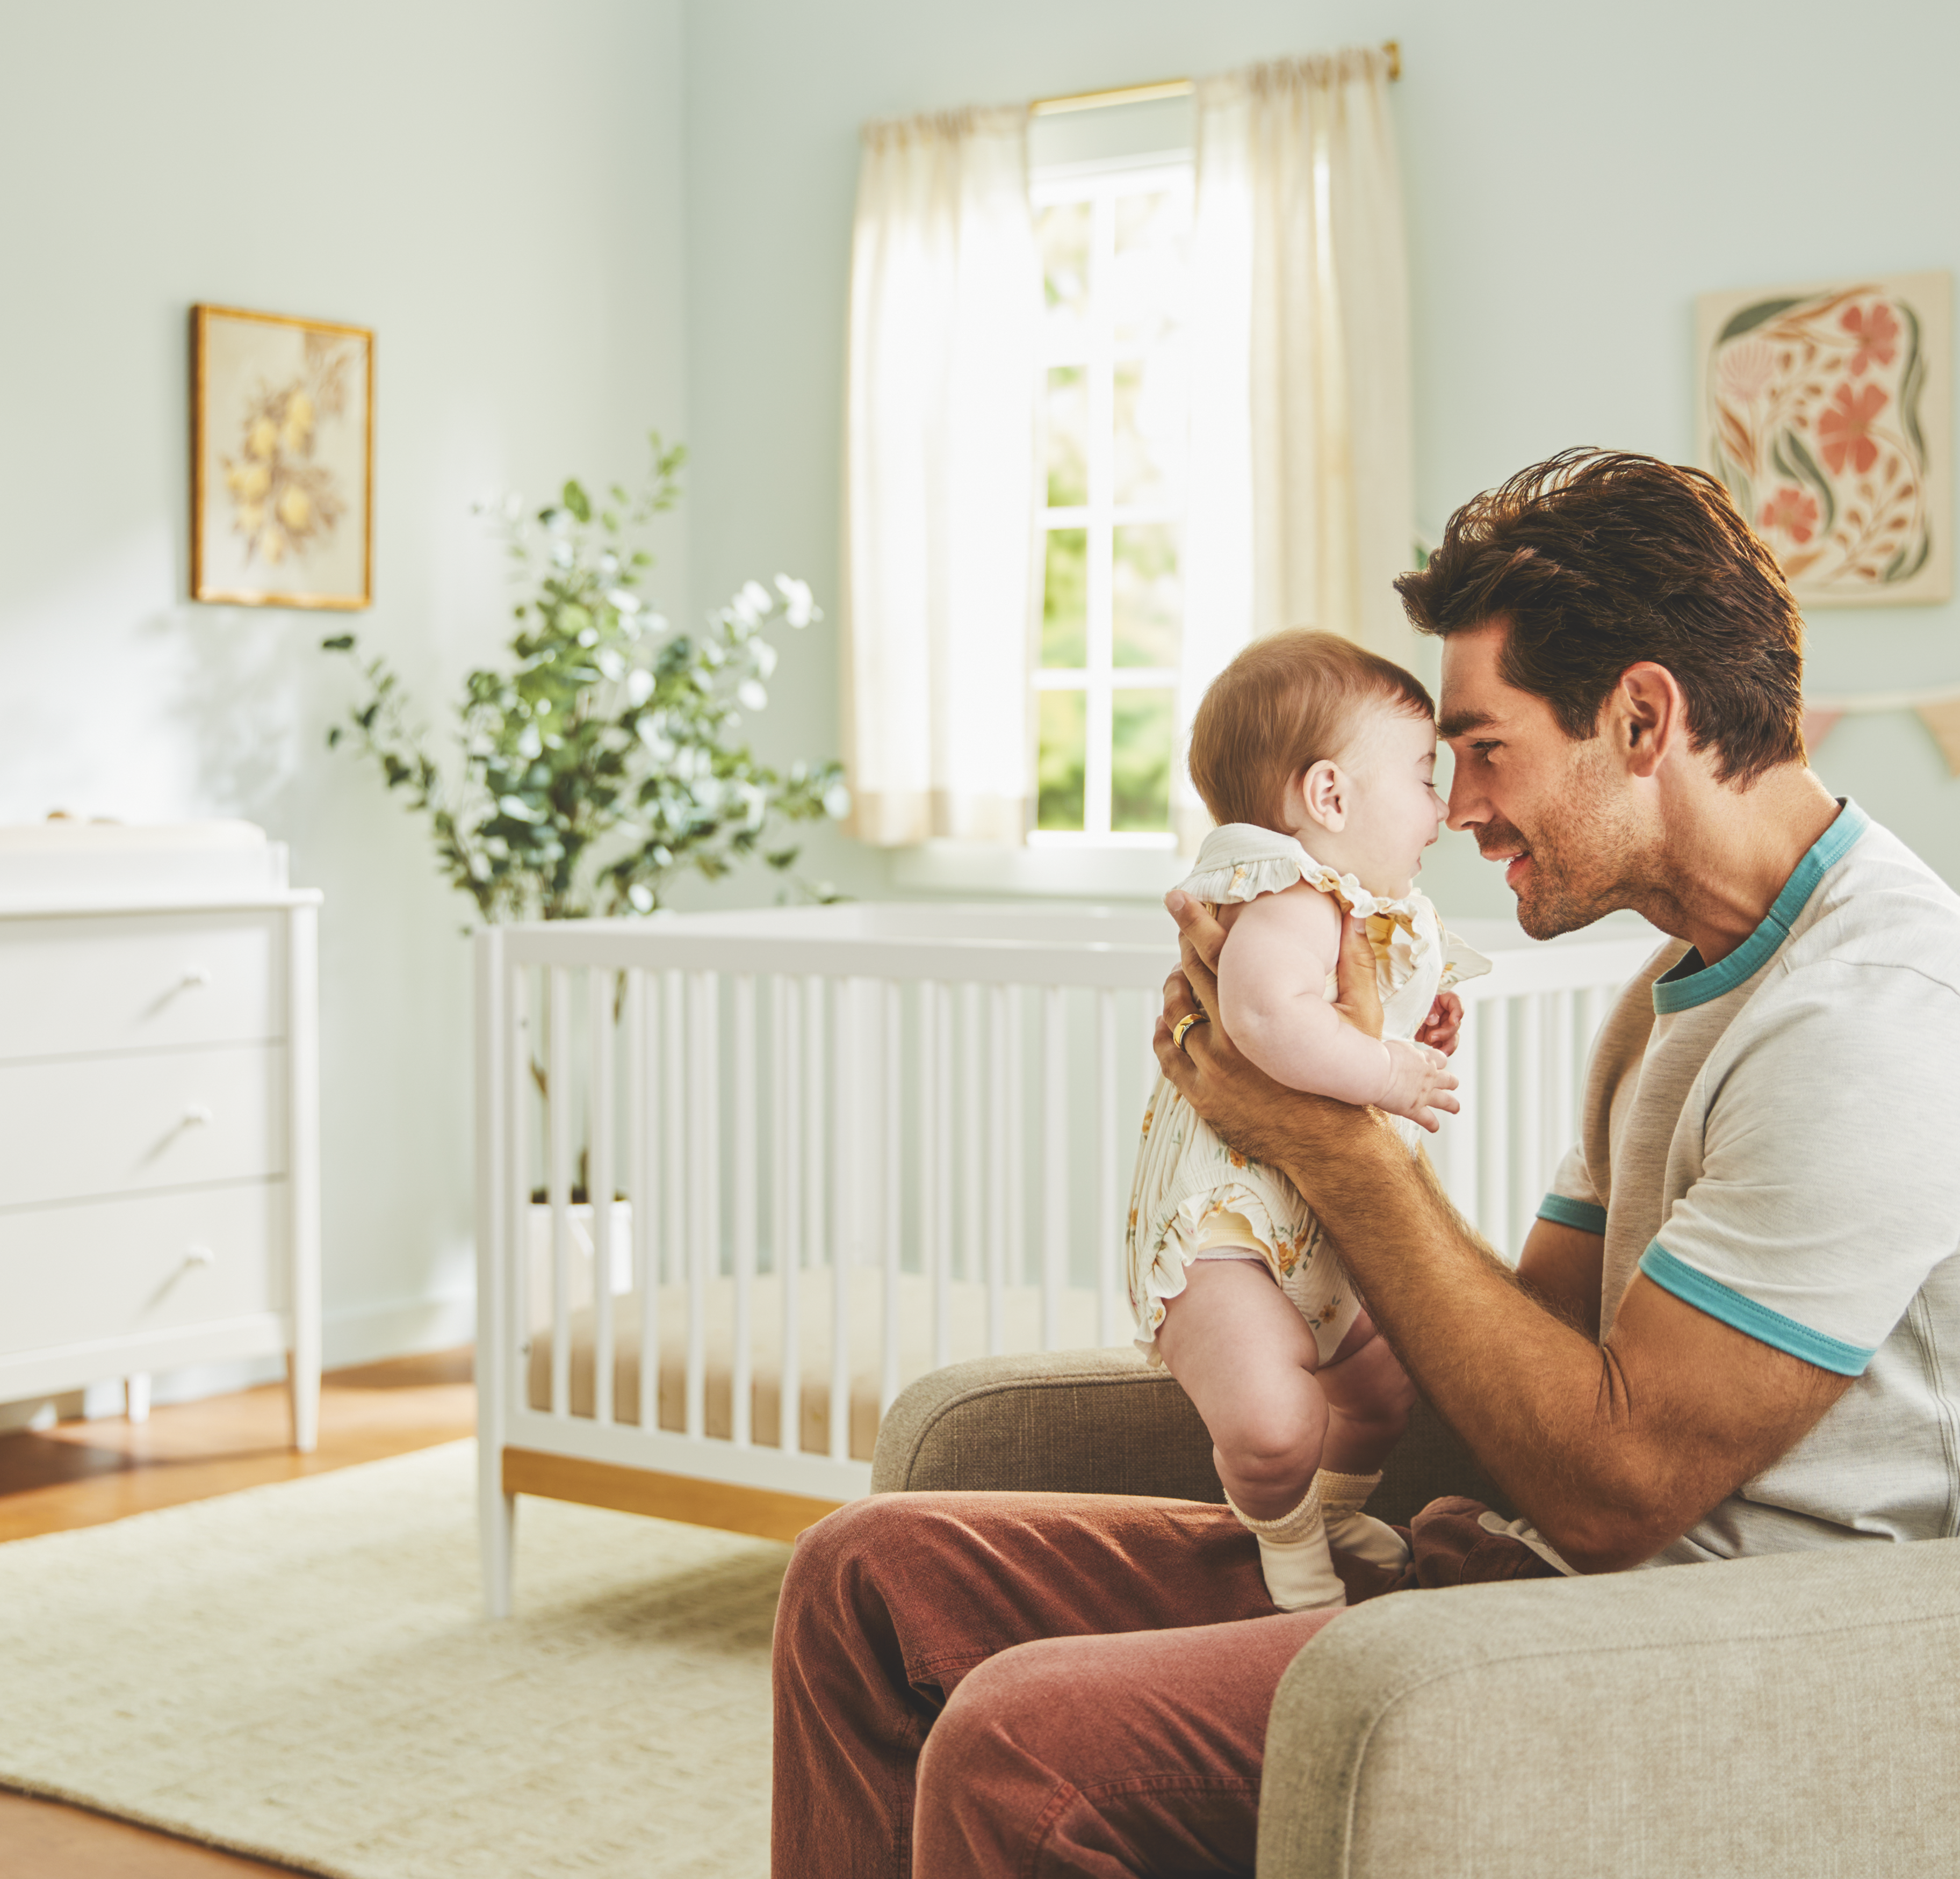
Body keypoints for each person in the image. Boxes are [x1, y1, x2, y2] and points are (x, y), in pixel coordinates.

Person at [770, 450, 1960, 1876]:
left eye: (1486, 747)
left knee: (1027, 1748)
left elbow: (1615, 1483)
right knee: (865, 1583)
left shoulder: (1875, 1017)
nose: (1454, 808)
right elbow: (1528, 1356)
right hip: (1524, 1577)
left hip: (1691, 1654)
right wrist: (1300, 1086)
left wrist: (1322, 1134)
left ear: (1644, 716)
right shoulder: (1676, 992)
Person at [1127, 627, 1486, 1612]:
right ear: (1329, 797)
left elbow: (1338, 1012)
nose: (1445, 810)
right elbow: (1266, 1018)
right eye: (1423, 777)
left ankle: (1331, 1510)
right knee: (1275, 1421)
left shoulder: (1356, 906)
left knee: (1380, 1395)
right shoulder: (1287, 891)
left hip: (1313, 1230)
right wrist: (1384, 1068)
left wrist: (1418, 1020)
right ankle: (1287, 1542)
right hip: (1229, 1240)